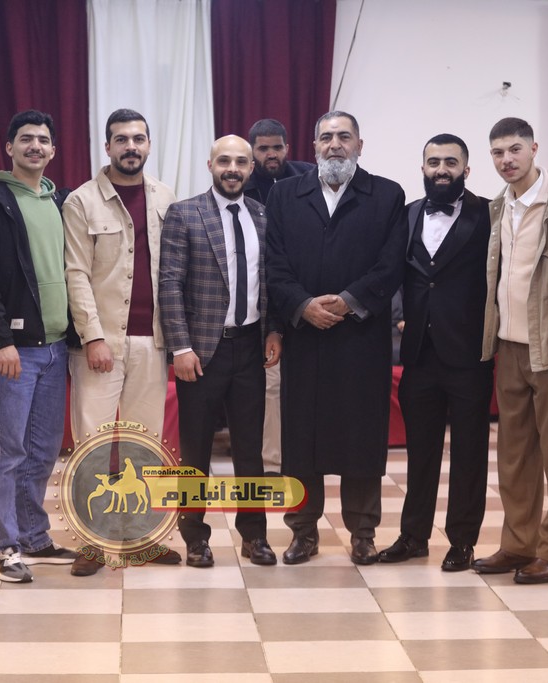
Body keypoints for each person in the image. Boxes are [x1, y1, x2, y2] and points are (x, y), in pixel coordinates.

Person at [266, 111, 406, 566]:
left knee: (362, 437)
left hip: (361, 340)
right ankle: (303, 532)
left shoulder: (387, 195)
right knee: (300, 440)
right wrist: (303, 305)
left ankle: (363, 533)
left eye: (344, 137)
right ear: (313, 147)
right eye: (326, 137)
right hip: (305, 338)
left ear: (360, 145)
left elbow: (391, 265)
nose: (335, 145)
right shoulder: (285, 194)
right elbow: (274, 264)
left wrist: (347, 302)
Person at [62, 108, 181, 575]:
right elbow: (76, 273)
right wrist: (93, 336)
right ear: (107, 146)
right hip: (102, 343)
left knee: (142, 445)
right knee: (92, 443)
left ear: (148, 144)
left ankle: (138, 538)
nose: (131, 147)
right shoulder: (81, 201)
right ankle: (93, 542)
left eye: (138, 139)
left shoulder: (165, 197)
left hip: (153, 342)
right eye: (122, 139)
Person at [471, 117, 548, 584]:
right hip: (508, 345)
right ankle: (519, 544)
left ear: (534, 149)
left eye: (514, 149)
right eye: (498, 153)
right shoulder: (498, 206)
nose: (507, 160)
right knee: (515, 455)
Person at [158, 134, 282, 568]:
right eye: (224, 160)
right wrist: (181, 346)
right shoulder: (184, 213)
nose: (233, 169)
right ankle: (195, 537)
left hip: (250, 347)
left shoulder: (264, 216)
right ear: (210, 165)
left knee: (251, 449)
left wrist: (274, 331)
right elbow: (169, 284)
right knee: (195, 452)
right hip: (201, 352)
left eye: (241, 162)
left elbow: (270, 281)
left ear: (251, 168)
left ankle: (255, 535)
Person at [0, 110, 78, 583]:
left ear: (53, 150)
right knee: (6, 452)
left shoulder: (62, 201)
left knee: (43, 449)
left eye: (43, 140)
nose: (36, 146)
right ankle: (2, 547)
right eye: (26, 139)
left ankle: (33, 536)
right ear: (9, 147)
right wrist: (0, 340)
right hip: (13, 350)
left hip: (55, 348)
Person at [377, 134, 494, 572]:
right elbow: (394, 274)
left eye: (450, 162)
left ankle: (462, 541)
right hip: (419, 355)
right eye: (433, 162)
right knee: (420, 452)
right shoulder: (408, 214)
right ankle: (413, 536)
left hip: (469, 355)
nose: (441, 169)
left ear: (466, 169)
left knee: (469, 454)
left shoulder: (489, 214)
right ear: (422, 168)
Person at [243, 118, 317, 473]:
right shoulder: (241, 185)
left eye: (276, 147)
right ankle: (273, 465)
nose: (270, 154)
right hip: (260, 298)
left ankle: (308, 457)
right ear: (252, 151)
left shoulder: (309, 177)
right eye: (263, 148)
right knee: (271, 386)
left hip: (304, 295)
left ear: (287, 148)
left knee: (309, 385)